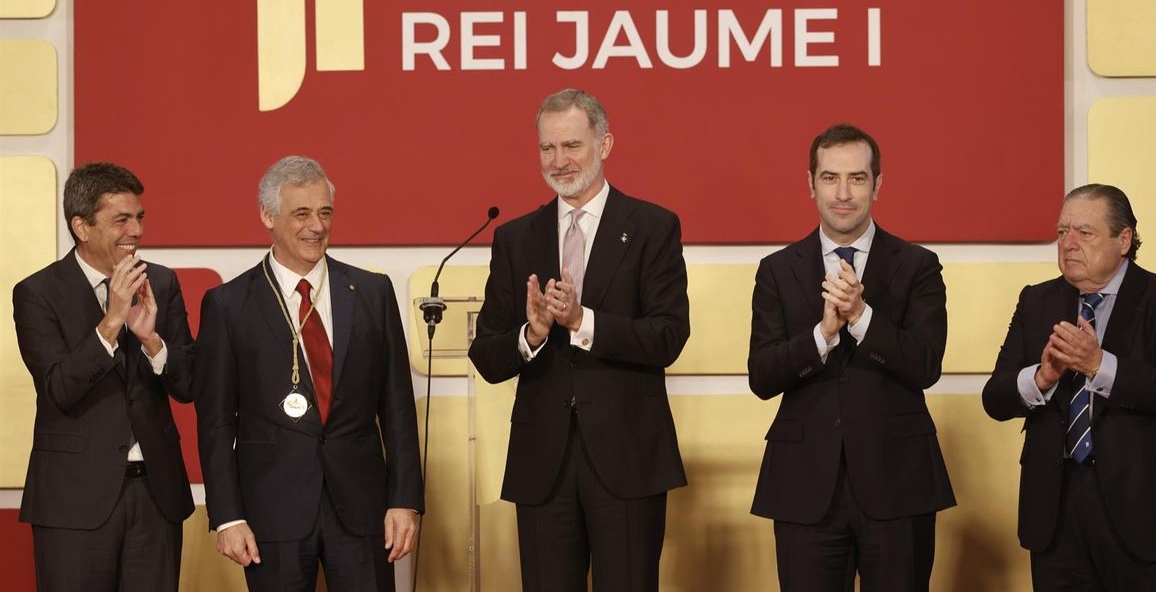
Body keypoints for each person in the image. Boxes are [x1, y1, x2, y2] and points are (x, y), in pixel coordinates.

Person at [467, 88, 690, 592]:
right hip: (542, 463)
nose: (559, 161)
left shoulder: (653, 227)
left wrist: (582, 320)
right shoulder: (515, 238)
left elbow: (668, 335)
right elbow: (487, 353)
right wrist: (533, 333)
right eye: (547, 148)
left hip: (629, 459)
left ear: (605, 144)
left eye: (572, 145)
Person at [194, 156, 423, 592]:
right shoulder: (227, 305)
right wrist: (227, 515)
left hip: (362, 509)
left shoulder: (372, 293)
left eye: (325, 212)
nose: (316, 226)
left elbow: (397, 408)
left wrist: (405, 500)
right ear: (268, 216)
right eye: (301, 213)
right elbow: (217, 422)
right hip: (271, 513)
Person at [747, 124, 956, 592]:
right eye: (830, 178)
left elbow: (925, 365)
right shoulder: (778, 271)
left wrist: (861, 316)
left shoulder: (918, 265)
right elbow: (762, 375)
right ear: (810, 183)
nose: (843, 193)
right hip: (804, 488)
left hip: (898, 482)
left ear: (877, 185)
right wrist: (824, 334)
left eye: (857, 179)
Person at [982, 183, 1156, 589]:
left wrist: (1099, 365)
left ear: (1124, 239)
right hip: (1055, 509)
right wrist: (1042, 378)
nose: (1068, 244)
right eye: (1062, 232)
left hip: (1147, 512)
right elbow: (994, 398)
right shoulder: (1037, 300)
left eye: (1085, 233)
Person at [12, 162, 195, 591]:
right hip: (73, 503)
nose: (136, 230)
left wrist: (152, 341)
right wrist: (111, 322)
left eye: (140, 217)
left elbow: (189, 385)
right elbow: (60, 388)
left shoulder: (162, 284)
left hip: (156, 498)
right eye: (121, 220)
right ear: (82, 226)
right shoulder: (37, 293)